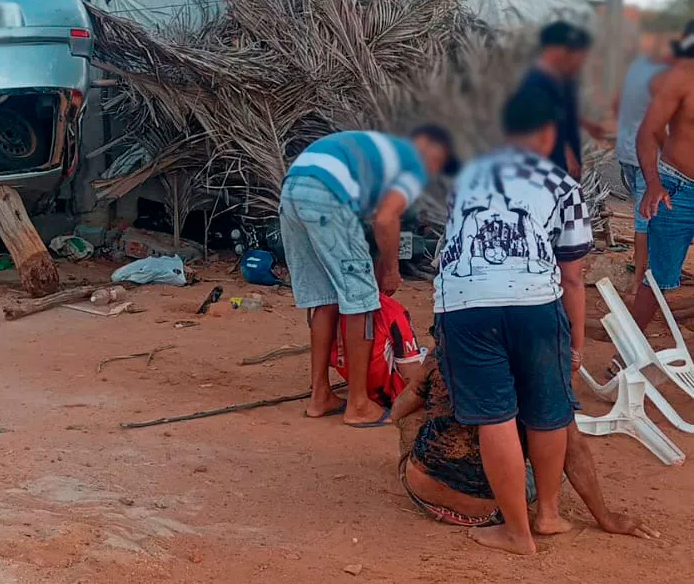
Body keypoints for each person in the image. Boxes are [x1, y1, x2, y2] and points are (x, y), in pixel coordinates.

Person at [433, 87, 594, 554]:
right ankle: (547, 515)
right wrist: (575, 345)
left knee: (495, 415)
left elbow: (451, 247)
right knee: (547, 411)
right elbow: (573, 276)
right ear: (547, 133)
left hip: (465, 306)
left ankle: (515, 532)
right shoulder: (563, 184)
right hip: (536, 303)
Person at [279, 126, 458, 427]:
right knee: (361, 302)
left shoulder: (378, 150)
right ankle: (359, 404)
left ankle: (319, 395)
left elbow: (374, 224)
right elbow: (387, 218)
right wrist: (390, 270)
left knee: (327, 298)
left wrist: (376, 266)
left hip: (294, 188)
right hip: (327, 195)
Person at [393, 342, 659, 540]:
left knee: (418, 410)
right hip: (483, 508)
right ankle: (546, 515)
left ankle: (427, 468)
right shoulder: (542, 365)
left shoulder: (448, 346)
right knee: (551, 446)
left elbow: (399, 412)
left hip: (421, 489)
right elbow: (573, 449)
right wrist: (605, 517)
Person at [632, 21, 694, 332]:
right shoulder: (682, 77)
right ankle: (625, 356)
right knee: (658, 279)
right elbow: (648, 131)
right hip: (677, 189)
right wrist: (653, 183)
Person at [614, 46, 672, 294]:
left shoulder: (637, 65)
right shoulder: (667, 75)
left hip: (627, 150)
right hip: (649, 156)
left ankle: (643, 272)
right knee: (646, 218)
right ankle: (641, 280)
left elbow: (617, 104)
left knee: (645, 213)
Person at [517, 21, 605, 178]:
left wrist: (585, 123)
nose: (576, 58)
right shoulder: (535, 83)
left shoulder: (562, 79)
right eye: (571, 51)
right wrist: (567, 154)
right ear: (554, 50)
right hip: (550, 164)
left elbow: (561, 112)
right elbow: (539, 127)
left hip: (563, 159)